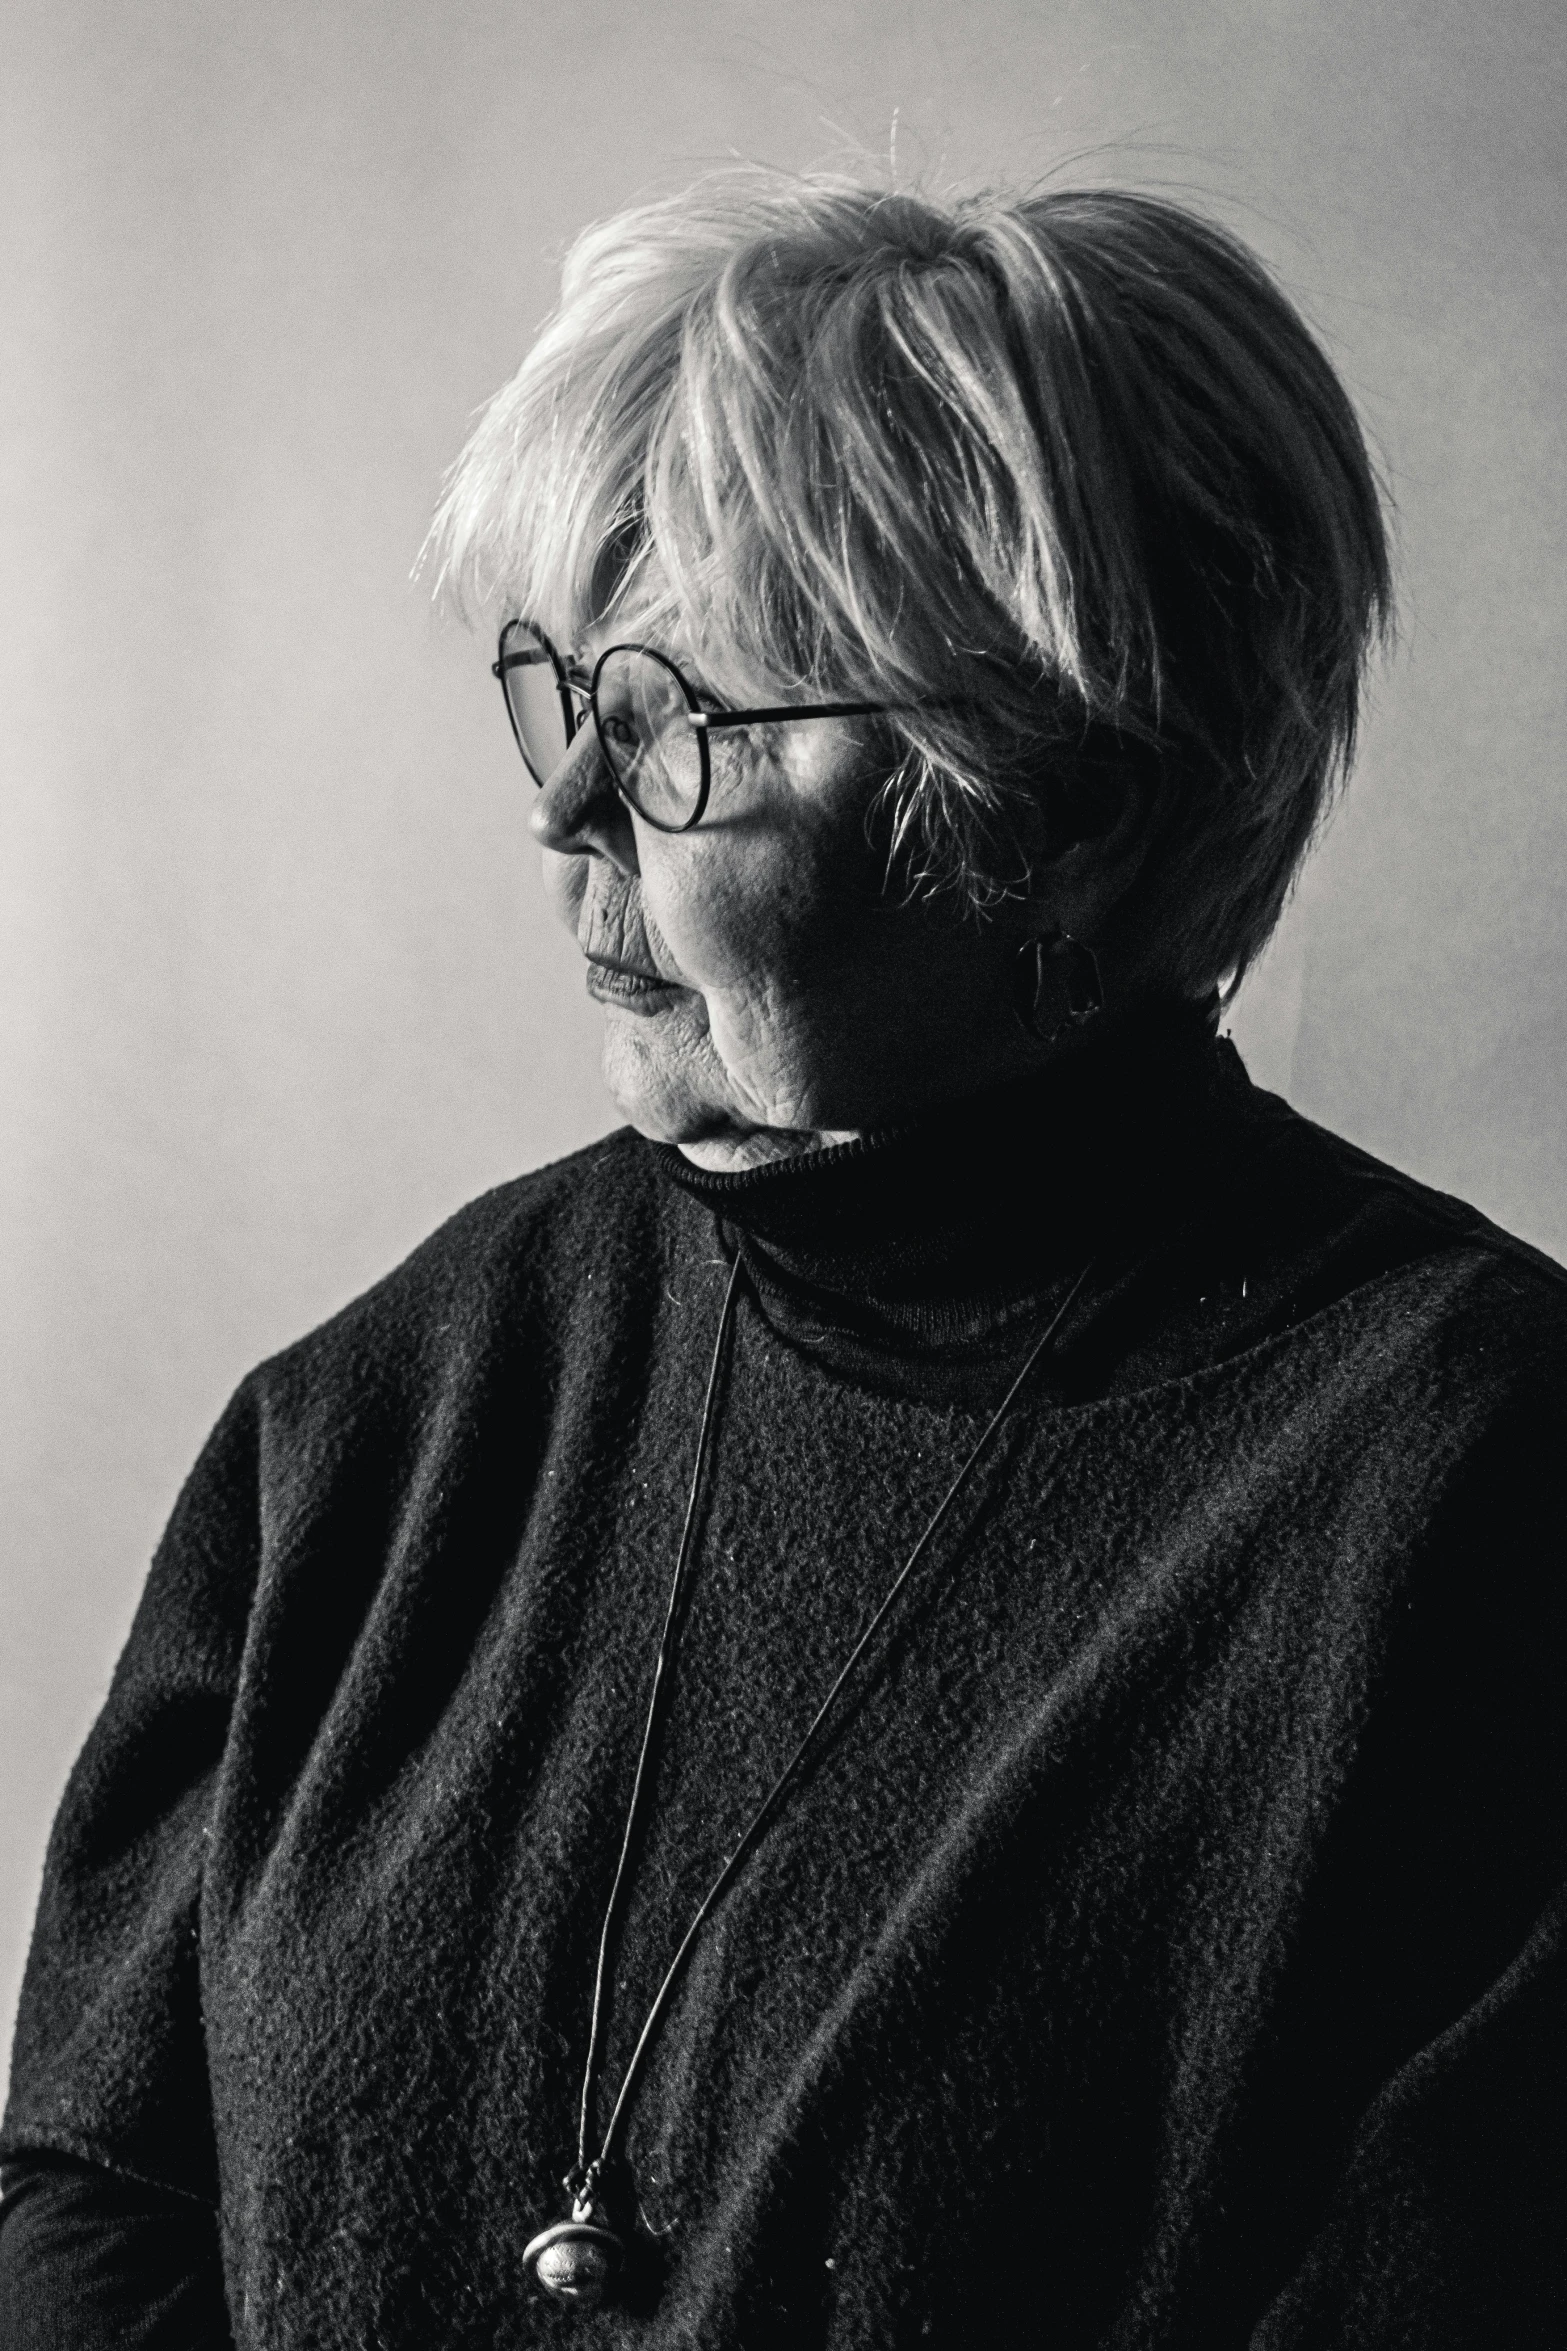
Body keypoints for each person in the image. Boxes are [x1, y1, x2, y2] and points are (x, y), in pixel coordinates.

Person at [2, 170, 1563, 2350]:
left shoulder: (1479, 1494)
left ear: (1066, 810)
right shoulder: (372, 1424)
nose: (564, 814)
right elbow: (98, 2178)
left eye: (679, 724)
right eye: (562, 689)